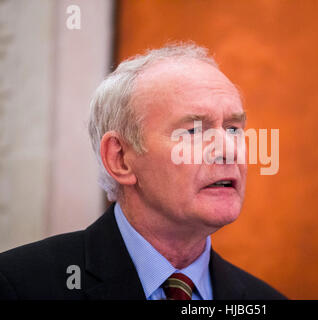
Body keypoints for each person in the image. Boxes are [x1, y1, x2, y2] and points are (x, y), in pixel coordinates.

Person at [0, 42, 286, 300]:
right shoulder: (19, 286)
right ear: (121, 158)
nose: (229, 150)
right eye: (194, 130)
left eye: (234, 129)